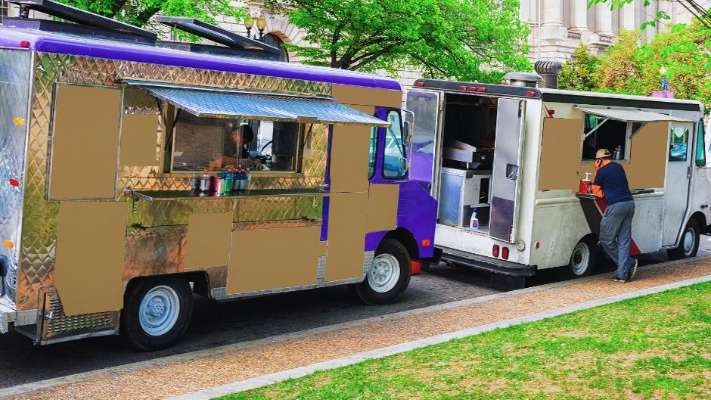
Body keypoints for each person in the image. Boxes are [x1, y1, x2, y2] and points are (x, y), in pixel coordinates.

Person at [591, 148, 638, 282]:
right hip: (629, 204)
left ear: (599, 160)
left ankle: (628, 263)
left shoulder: (601, 171)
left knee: (606, 240)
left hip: (616, 207)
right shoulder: (619, 167)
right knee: (623, 241)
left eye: (596, 161)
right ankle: (622, 274)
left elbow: (596, 192)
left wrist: (596, 171)